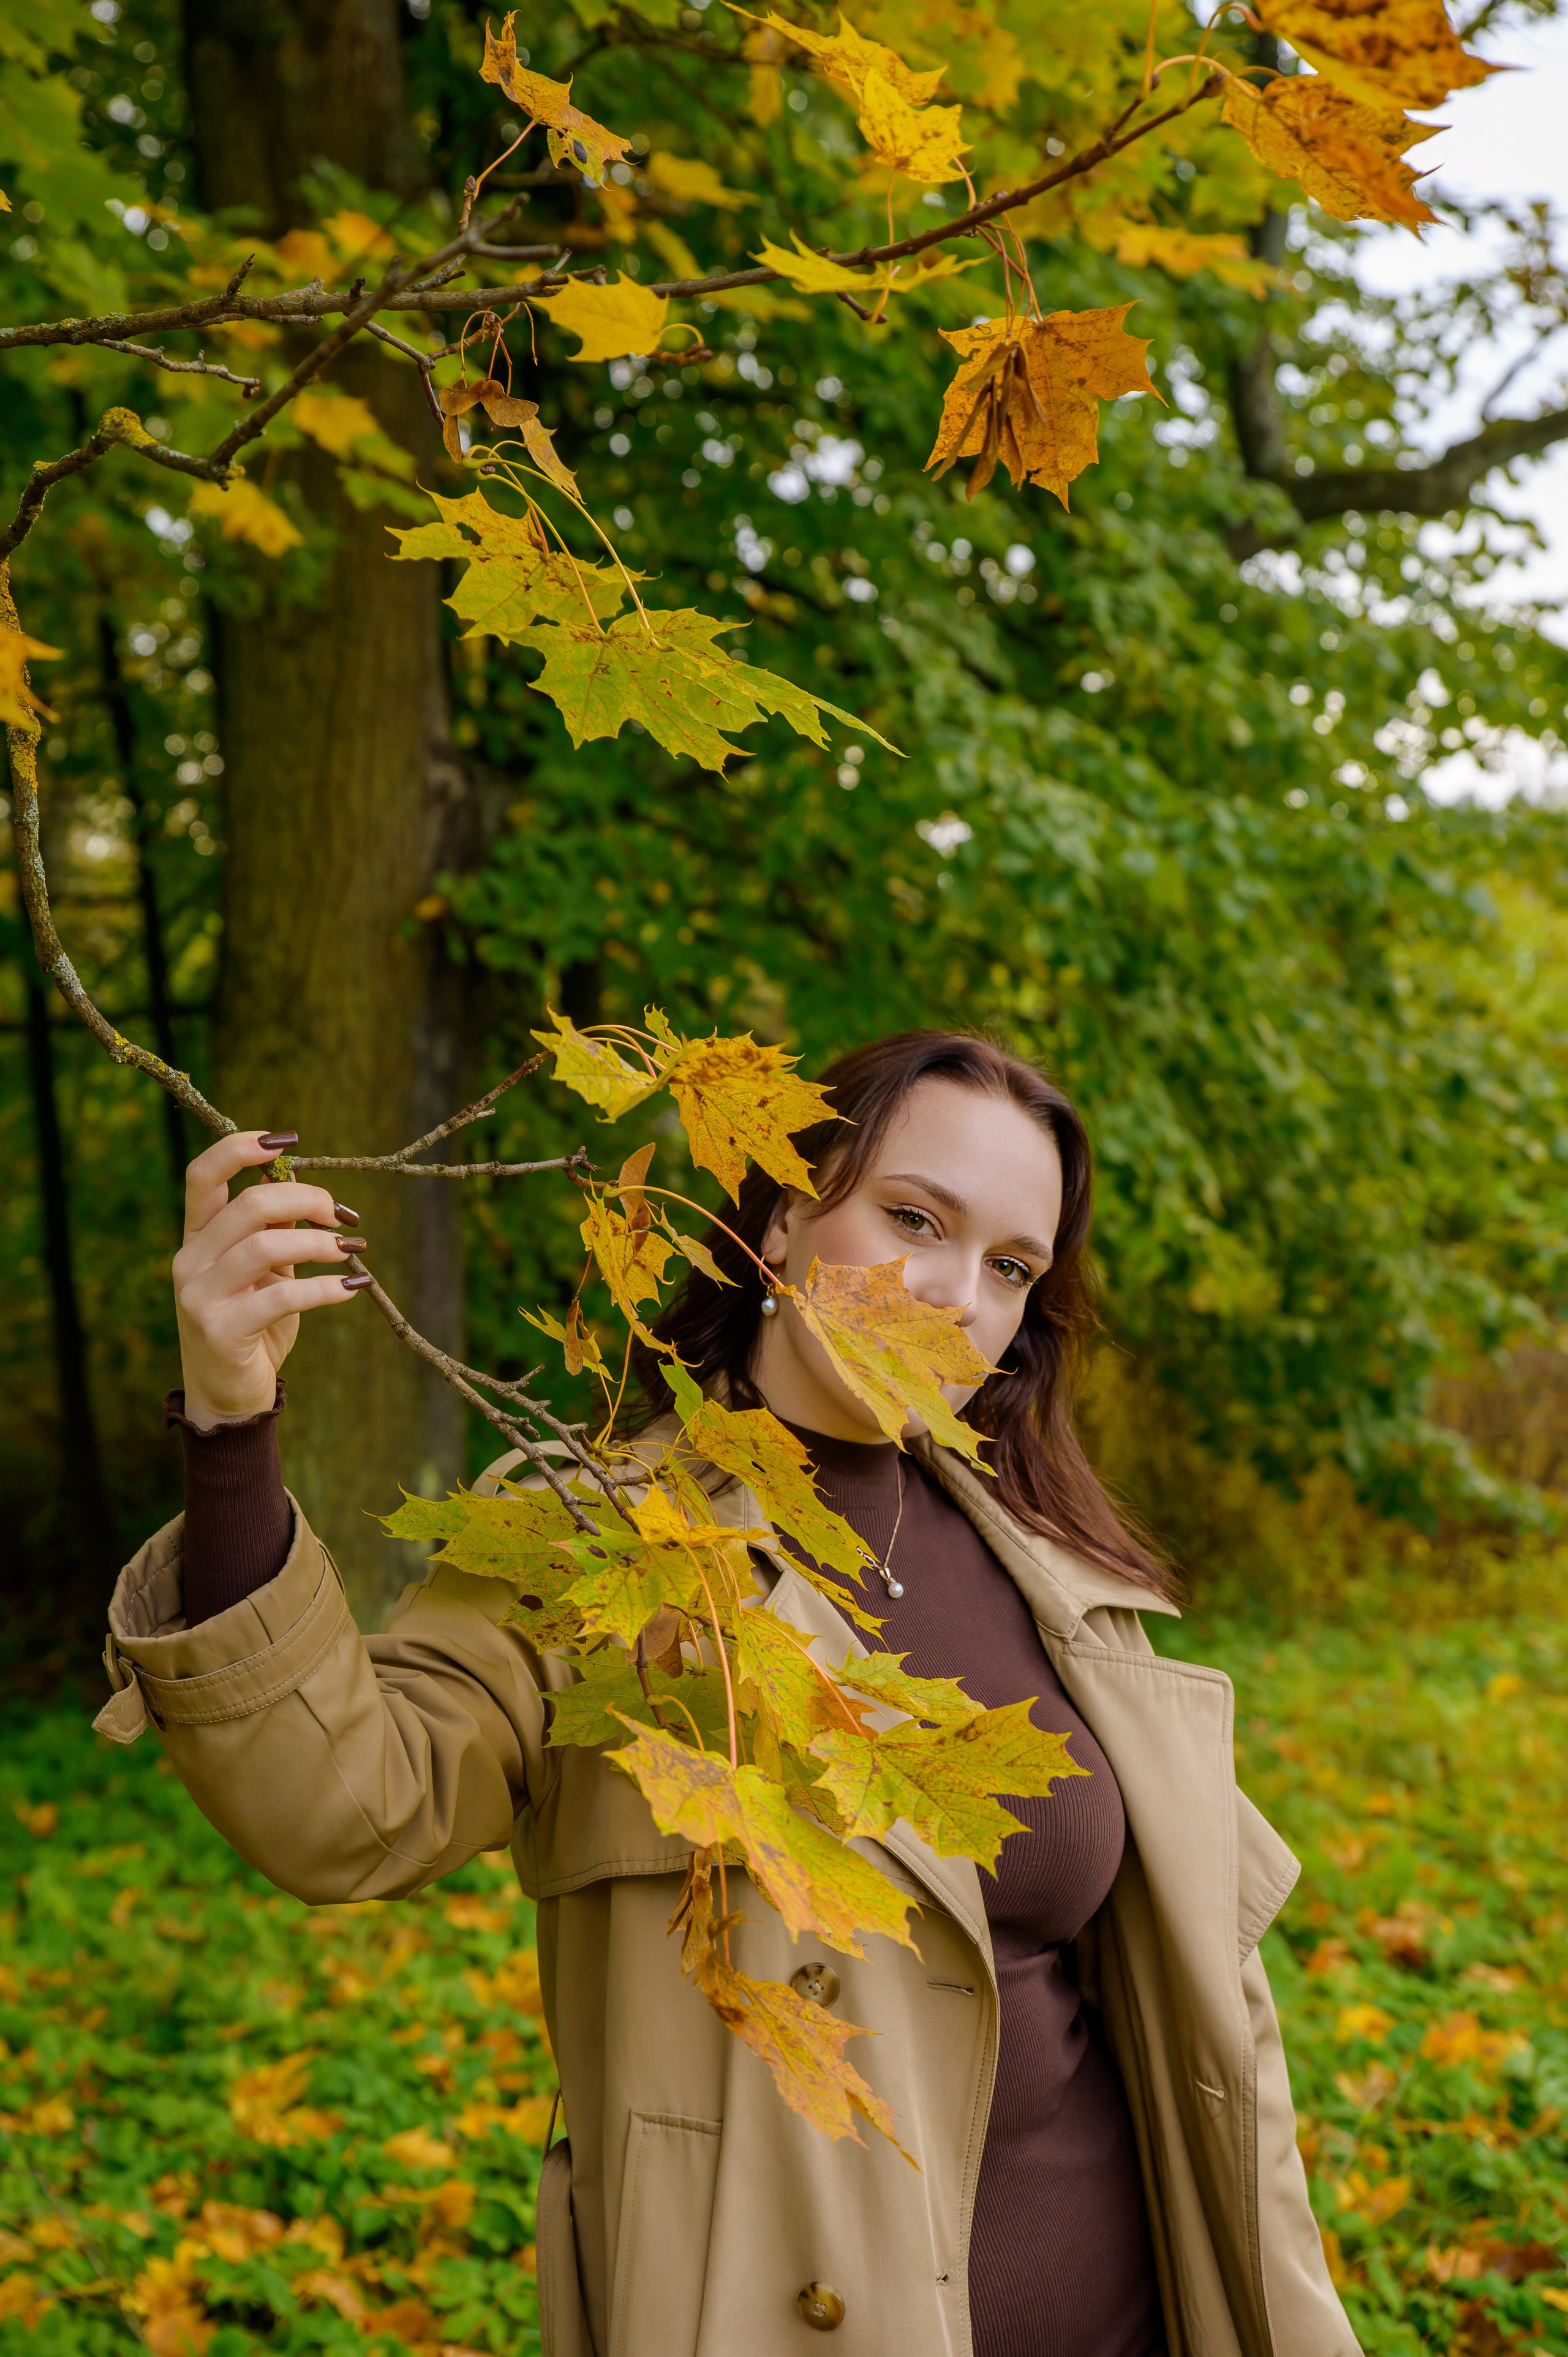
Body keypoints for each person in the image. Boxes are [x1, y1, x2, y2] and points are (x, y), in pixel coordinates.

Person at [99, 1030, 1359, 2357]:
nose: (954, 1297)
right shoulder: (602, 1543)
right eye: (911, 1216)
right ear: (776, 1207)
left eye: (1010, 1268)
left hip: (1146, 2314)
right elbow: (342, 1805)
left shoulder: (1052, 1570)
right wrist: (234, 1428)